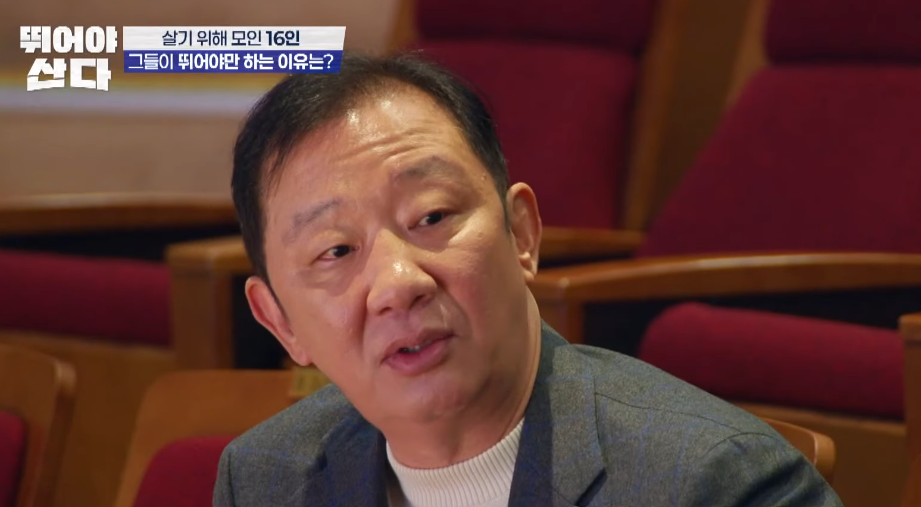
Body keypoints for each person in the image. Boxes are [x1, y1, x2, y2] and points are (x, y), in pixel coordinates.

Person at [215, 52, 842, 507]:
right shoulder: (264, 477)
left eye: (432, 217)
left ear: (521, 234)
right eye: (335, 250)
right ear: (281, 322)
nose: (398, 282)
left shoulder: (718, 483)